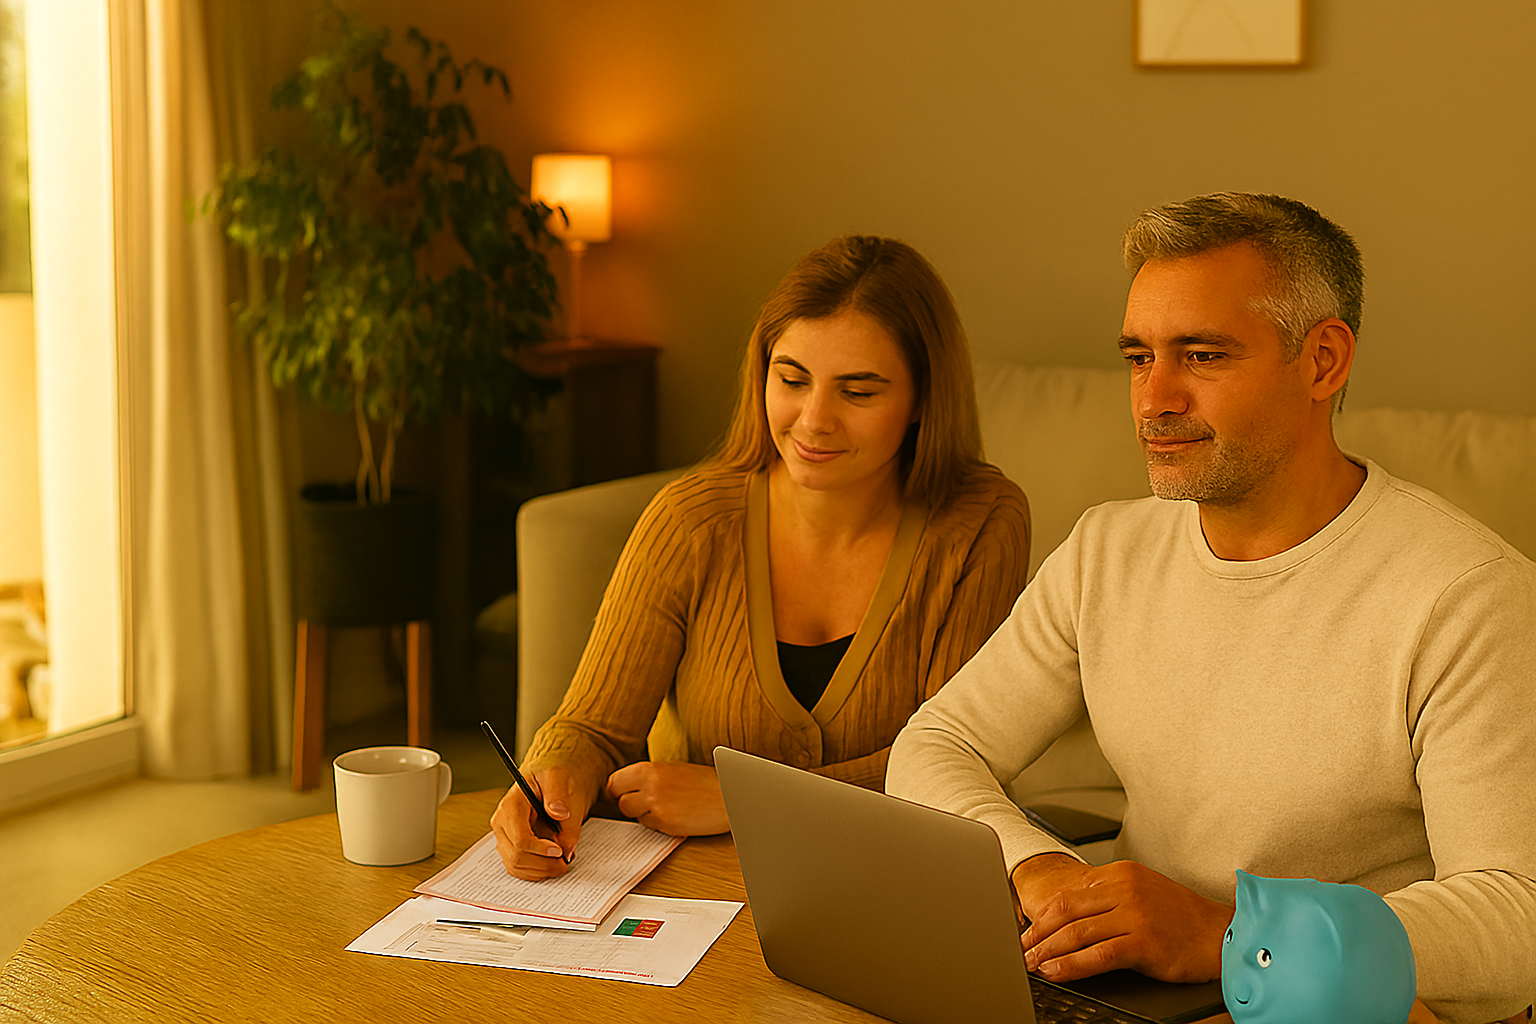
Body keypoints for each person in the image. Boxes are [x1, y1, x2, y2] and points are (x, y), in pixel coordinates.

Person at [886, 193, 1536, 1024]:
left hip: (1338, 1007)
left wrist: (1239, 939)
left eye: (1200, 355)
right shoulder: (1104, 552)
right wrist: (1042, 872)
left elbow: (1517, 914)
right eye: (1137, 357)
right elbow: (939, 742)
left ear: (1323, 361)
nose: (1154, 398)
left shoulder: (1469, 597)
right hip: (1135, 993)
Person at [492, 235, 1031, 881]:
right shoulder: (690, 519)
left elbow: (956, 762)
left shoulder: (980, 523)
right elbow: (593, 729)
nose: (813, 420)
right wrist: (552, 781)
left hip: (891, 881)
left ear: (922, 402)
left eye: (858, 393)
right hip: (691, 888)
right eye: (792, 380)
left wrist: (744, 800)